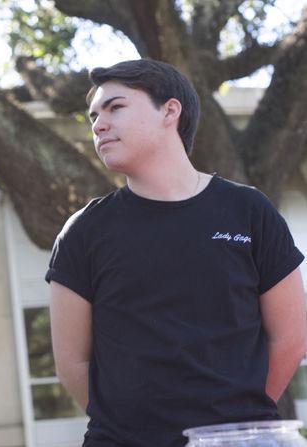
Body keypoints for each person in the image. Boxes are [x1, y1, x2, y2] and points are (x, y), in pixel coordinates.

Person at [45, 59, 307, 446]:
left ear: (170, 110)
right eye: (93, 115)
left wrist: (230, 428)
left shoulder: (249, 211)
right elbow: (72, 364)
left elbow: (290, 337)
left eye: (115, 107)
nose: (98, 124)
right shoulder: (83, 231)